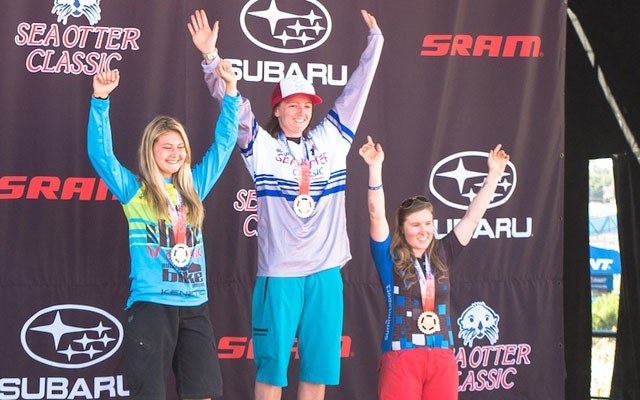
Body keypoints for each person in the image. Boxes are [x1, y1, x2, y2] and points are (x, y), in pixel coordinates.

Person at [188, 8, 383, 400]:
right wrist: (211, 58)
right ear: (277, 109)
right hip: (279, 274)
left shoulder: (333, 139)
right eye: (292, 105)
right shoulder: (261, 147)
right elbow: (232, 103)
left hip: (326, 272)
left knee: (318, 370)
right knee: (273, 369)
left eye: (308, 106)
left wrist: (375, 42)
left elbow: (356, 92)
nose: (302, 112)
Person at [86, 62, 240, 400]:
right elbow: (101, 155)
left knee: (204, 393)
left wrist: (231, 92)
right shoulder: (134, 190)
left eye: (180, 146)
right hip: (152, 307)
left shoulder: (195, 187)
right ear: (151, 150)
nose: (175, 153)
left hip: (195, 306)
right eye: (166, 146)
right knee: (149, 394)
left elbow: (225, 145)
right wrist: (100, 100)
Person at [359, 136, 510, 400]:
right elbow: (376, 214)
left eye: (428, 224)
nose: (423, 231)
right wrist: (375, 168)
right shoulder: (389, 256)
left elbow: (473, 216)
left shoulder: (443, 252)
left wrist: (494, 176)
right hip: (401, 355)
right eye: (416, 225)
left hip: (442, 356)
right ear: (402, 229)